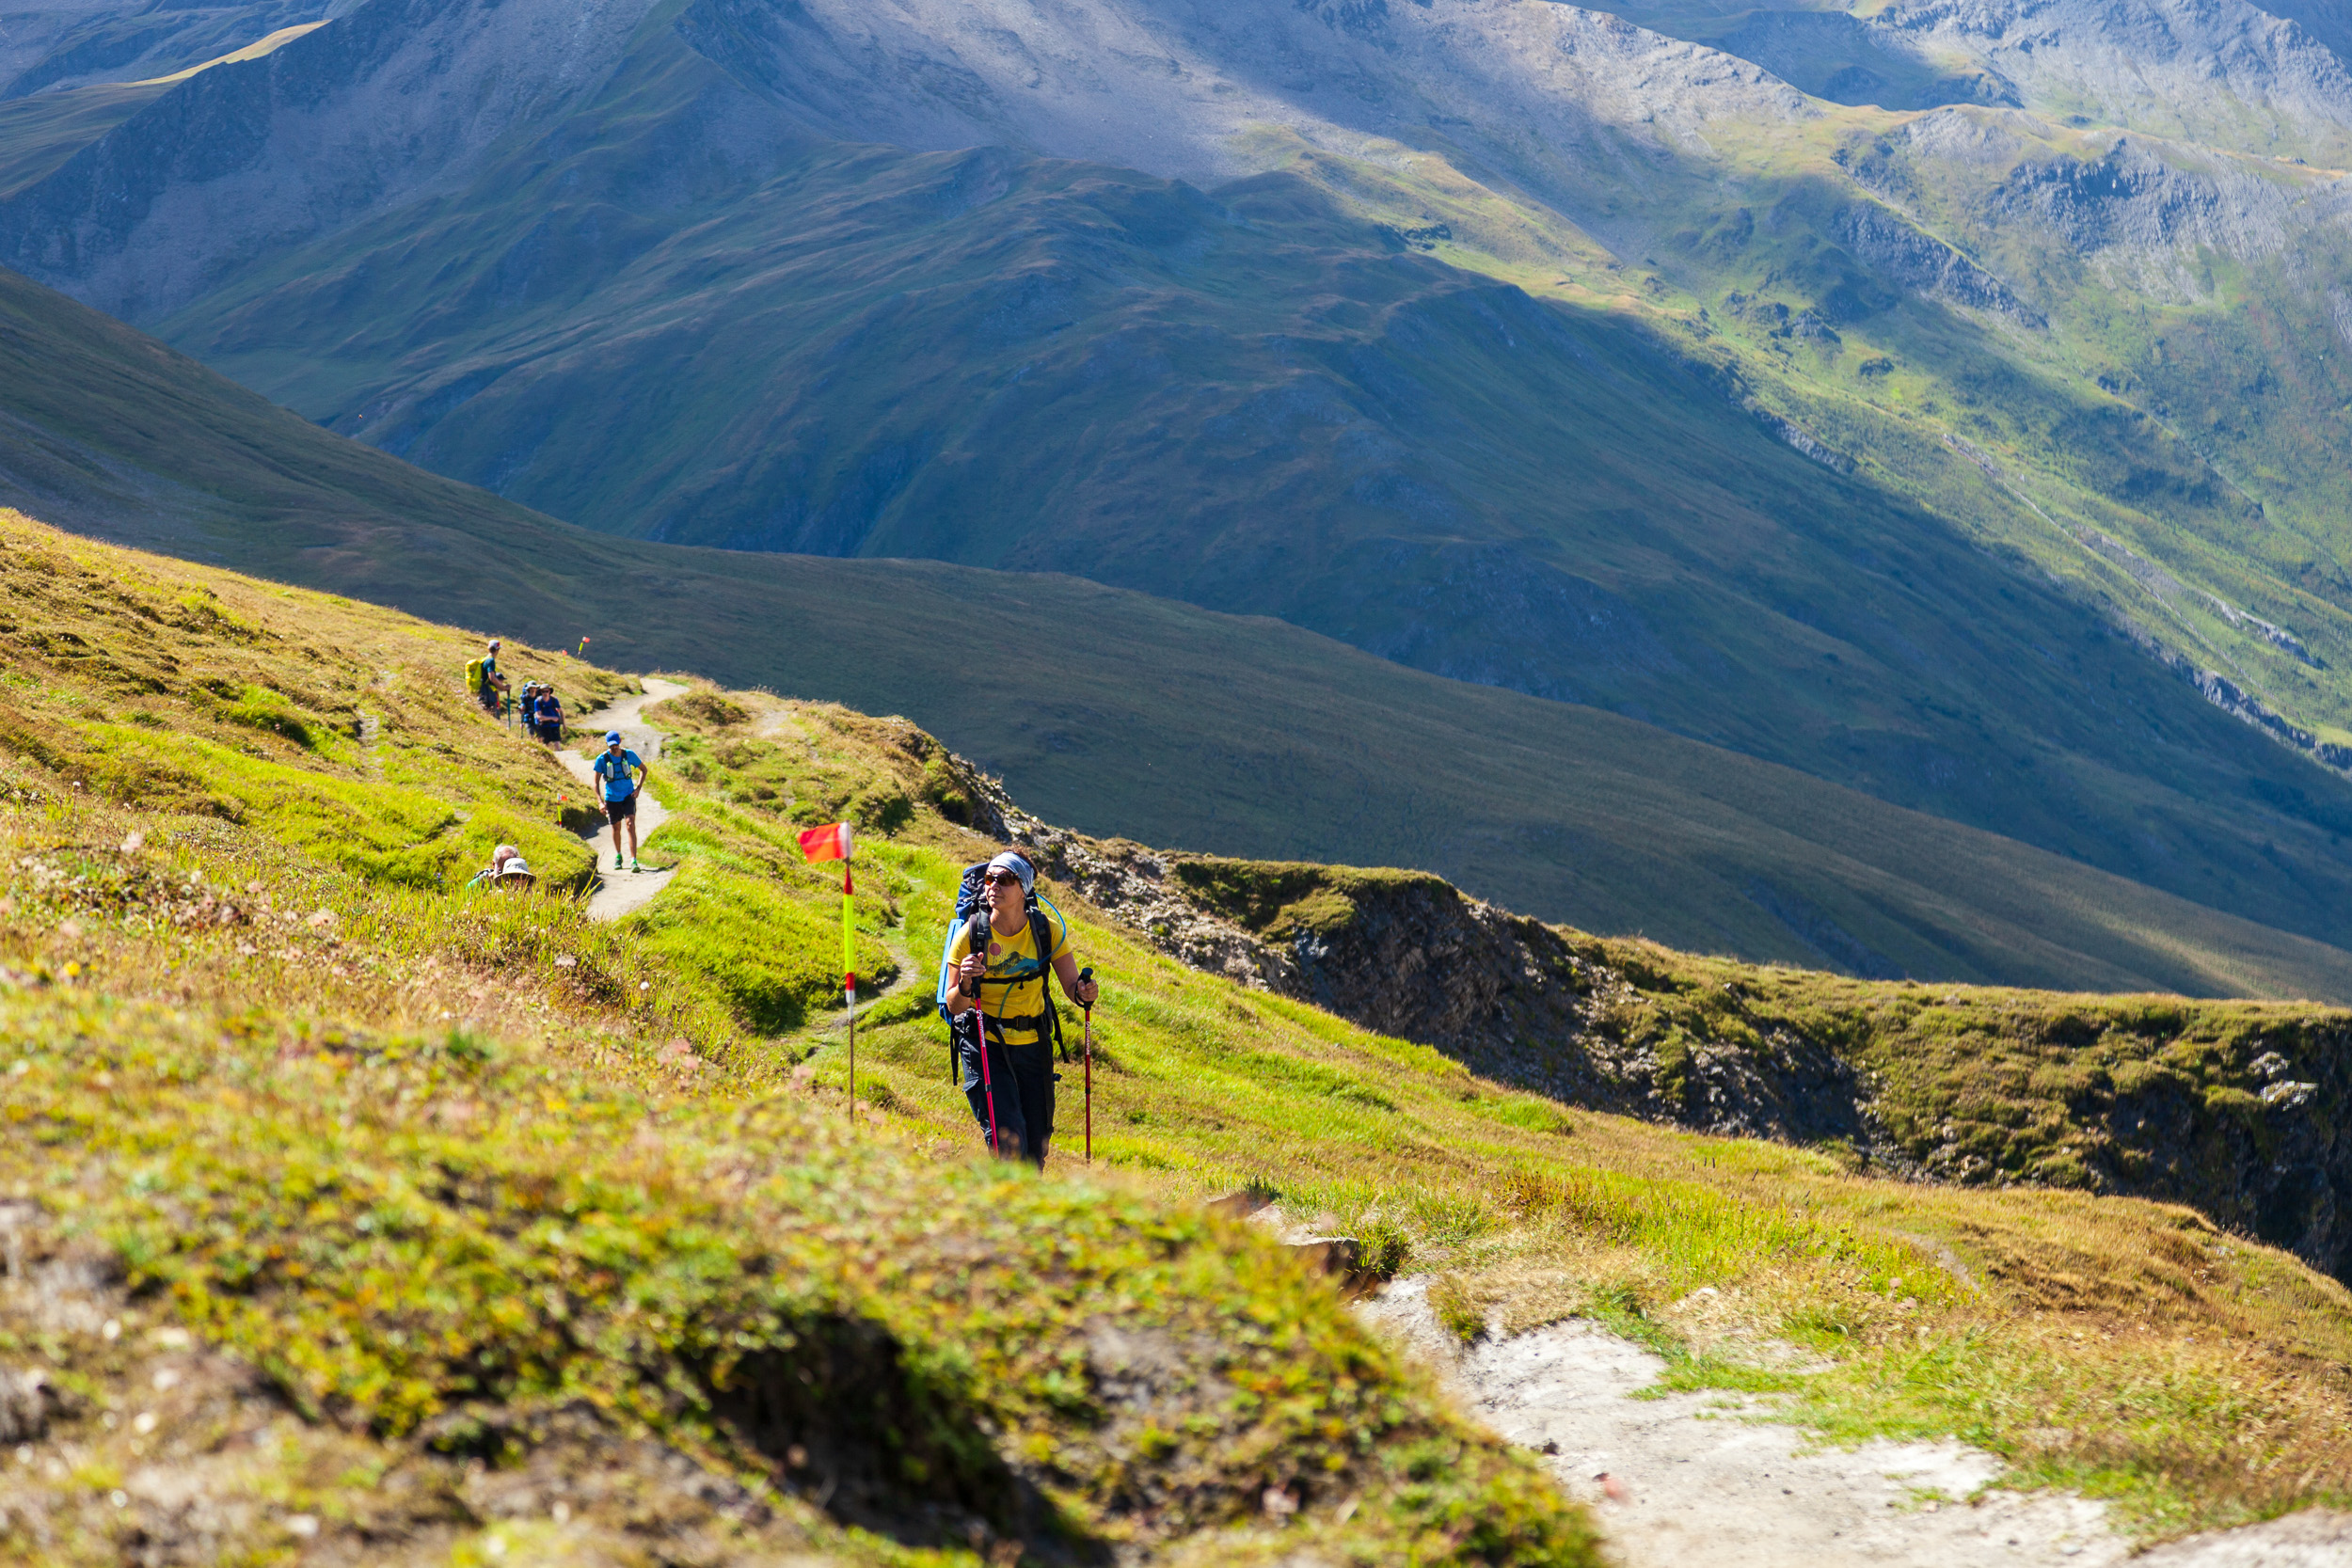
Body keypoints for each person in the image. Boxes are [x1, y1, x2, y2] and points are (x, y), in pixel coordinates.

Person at [943, 850, 1099, 1166]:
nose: (994, 886)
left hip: (1033, 1044)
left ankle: (1021, 1207)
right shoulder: (971, 936)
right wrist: (967, 984)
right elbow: (954, 1004)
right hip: (986, 1044)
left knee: (1036, 1147)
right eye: (989, 878)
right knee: (1008, 1142)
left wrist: (1085, 993)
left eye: (1005, 879)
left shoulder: (1046, 931)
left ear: (1024, 888)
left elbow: (1073, 990)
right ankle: (1003, 1211)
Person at [592, 729, 647, 872]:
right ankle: (618, 856)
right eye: (611, 745)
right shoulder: (602, 759)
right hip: (612, 798)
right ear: (607, 744)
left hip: (628, 795)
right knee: (616, 827)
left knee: (630, 824)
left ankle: (634, 860)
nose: (614, 747)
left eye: (616, 744)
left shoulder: (629, 754)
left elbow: (643, 769)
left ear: (620, 742)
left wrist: (638, 788)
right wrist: (600, 802)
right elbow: (596, 783)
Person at [474, 639, 510, 715]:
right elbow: (492, 678)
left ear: (488, 648)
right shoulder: (491, 661)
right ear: (497, 650)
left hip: (482, 689)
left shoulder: (484, 660)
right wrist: (503, 687)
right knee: (491, 715)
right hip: (488, 692)